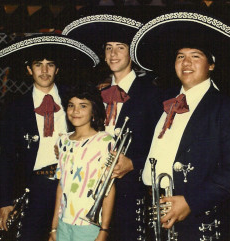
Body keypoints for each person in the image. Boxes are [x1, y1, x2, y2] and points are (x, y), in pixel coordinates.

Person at [130, 11, 230, 240]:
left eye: (195, 56)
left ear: (211, 65)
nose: (186, 62)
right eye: (180, 56)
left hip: (196, 218)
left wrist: (191, 202)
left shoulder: (229, 110)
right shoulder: (164, 103)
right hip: (152, 211)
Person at [0, 34, 100, 241]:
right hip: (34, 187)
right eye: (39, 65)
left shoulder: (73, 100)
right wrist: (4, 201)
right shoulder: (16, 108)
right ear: (29, 70)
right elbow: (7, 158)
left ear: (57, 69)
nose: (45, 71)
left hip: (71, 184)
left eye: (50, 65)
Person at [62, 14, 164, 241]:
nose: (113, 54)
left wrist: (134, 163)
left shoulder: (151, 94)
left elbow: (162, 142)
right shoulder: (96, 93)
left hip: (129, 189)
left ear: (132, 54)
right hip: (90, 187)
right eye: (108, 48)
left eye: (120, 47)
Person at [49, 83, 115, 241]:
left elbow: (109, 188)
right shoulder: (63, 141)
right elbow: (61, 186)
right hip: (64, 223)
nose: (75, 111)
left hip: (89, 226)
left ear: (94, 111)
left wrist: (104, 230)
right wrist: (54, 227)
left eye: (83, 106)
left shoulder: (104, 141)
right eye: (71, 105)